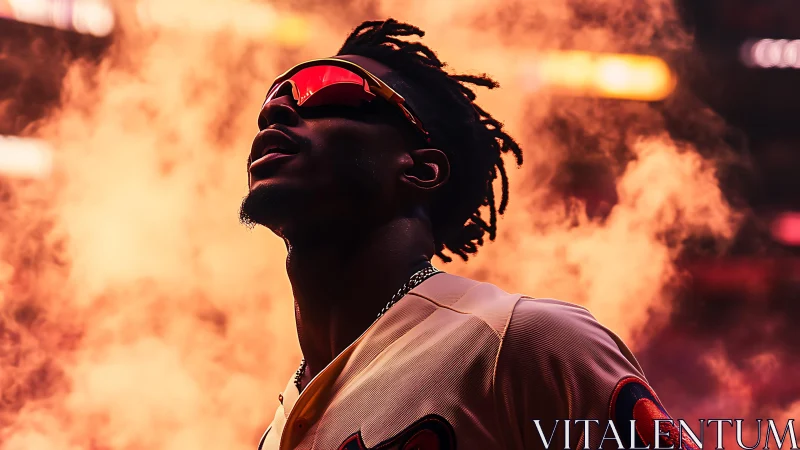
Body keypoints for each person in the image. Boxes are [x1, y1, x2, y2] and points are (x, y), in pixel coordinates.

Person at [241, 18, 695, 450]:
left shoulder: (524, 342)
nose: (276, 108)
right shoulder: (277, 430)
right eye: (274, 97)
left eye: (330, 90)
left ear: (421, 169)